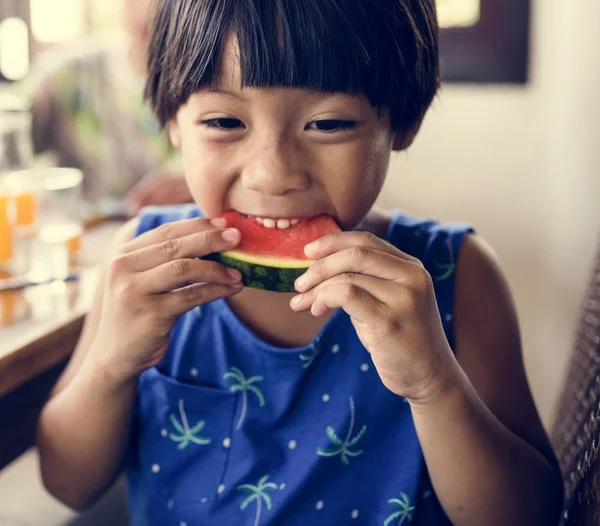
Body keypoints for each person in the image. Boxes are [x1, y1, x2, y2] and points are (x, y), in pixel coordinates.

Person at [35, 1, 563, 524]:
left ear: (402, 122)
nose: (274, 173)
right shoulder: (142, 268)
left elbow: (529, 515)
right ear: (173, 121)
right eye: (223, 120)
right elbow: (68, 483)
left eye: (328, 124)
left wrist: (434, 386)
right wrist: (110, 366)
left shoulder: (455, 276)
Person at [27, 0, 192, 216]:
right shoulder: (71, 76)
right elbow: (11, 127)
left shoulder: (213, 83)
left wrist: (197, 183)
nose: (146, 11)